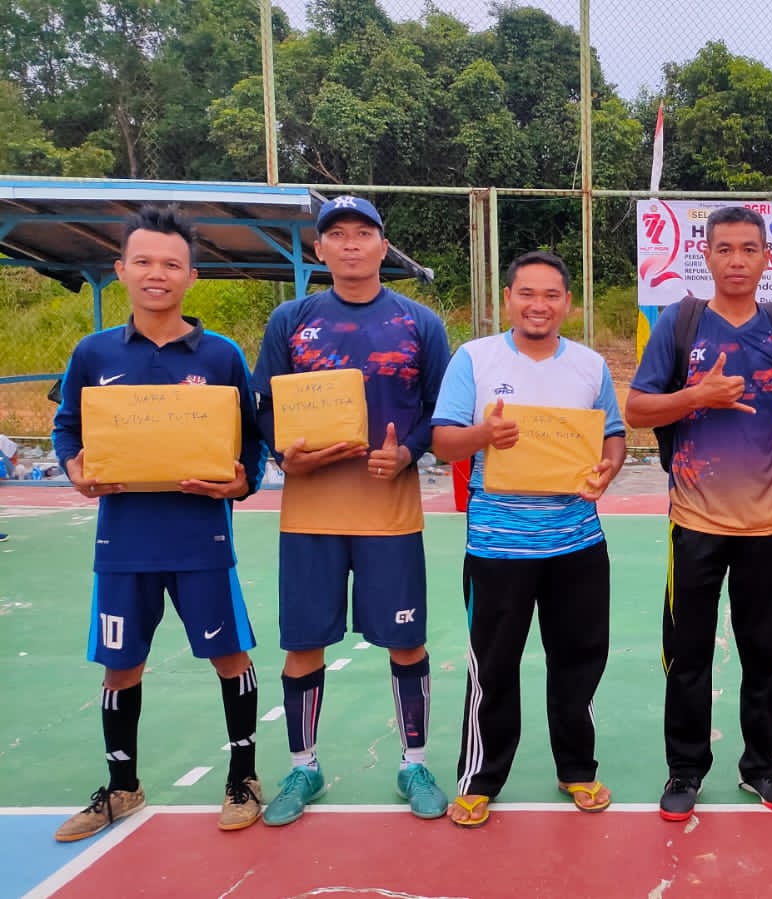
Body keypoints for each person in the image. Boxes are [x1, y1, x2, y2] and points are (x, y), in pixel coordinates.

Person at [50, 205, 266, 840]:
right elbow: (67, 427)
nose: (156, 274)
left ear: (191, 276)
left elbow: (251, 441)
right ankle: (123, 787)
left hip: (202, 539)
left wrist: (241, 482)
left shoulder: (222, 355)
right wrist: (74, 468)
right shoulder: (93, 353)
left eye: (171, 264)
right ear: (120, 270)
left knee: (229, 655)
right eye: (143, 261)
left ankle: (244, 777)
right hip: (123, 540)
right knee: (121, 665)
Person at [252, 196, 452, 825]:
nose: (350, 244)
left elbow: (441, 409)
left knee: (406, 641)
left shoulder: (420, 322)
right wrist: (285, 454)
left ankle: (414, 763)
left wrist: (409, 452)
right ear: (319, 249)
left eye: (363, 233)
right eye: (336, 234)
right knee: (302, 645)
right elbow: (265, 407)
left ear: (383, 246)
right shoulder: (292, 320)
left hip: (389, 514)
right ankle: (303, 767)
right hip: (309, 516)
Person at [625, 205, 772, 821]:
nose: (737, 260)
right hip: (693, 522)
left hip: (765, 524)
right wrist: (698, 395)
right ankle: (685, 769)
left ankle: (761, 768)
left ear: (767, 256)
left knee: (764, 655)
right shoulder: (680, 323)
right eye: (725, 249)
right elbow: (637, 409)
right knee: (687, 655)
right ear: (706, 256)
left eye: (748, 249)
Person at [430, 251, 626, 826]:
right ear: (507, 299)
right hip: (498, 547)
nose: (539, 305)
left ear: (568, 303)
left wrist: (609, 468)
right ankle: (480, 778)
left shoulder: (589, 366)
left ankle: (578, 769)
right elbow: (443, 442)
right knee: (492, 668)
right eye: (527, 293)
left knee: (579, 662)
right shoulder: (474, 359)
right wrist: (484, 434)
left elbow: (613, 436)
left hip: (577, 544)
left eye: (551, 295)